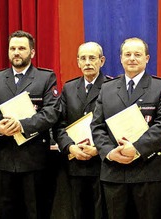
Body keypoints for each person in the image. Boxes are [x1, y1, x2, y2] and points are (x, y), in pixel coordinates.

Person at [91, 37, 161, 219]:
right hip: (114, 171)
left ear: (147, 58)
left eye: (137, 54)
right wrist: (109, 152)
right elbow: (97, 126)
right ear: (120, 58)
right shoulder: (107, 89)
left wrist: (136, 148)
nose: (132, 58)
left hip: (147, 171)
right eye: (127, 54)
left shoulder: (160, 87)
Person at [0, 30, 59, 219]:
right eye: (13, 48)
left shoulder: (45, 77)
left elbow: (51, 113)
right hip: (3, 158)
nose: (16, 52)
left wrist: (22, 125)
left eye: (22, 48)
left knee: (35, 211)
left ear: (32, 53)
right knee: (4, 212)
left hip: (34, 159)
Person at [54, 42, 108, 219]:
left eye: (92, 58)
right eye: (83, 58)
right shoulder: (69, 89)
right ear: (77, 62)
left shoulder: (112, 86)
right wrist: (70, 147)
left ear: (102, 61)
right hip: (75, 163)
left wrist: (99, 148)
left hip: (102, 164)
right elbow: (59, 125)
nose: (87, 62)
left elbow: (117, 126)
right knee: (78, 212)